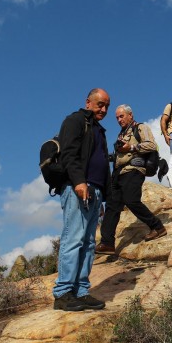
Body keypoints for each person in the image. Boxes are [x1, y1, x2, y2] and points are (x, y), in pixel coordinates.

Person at [51, 88, 111, 312]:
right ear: (88, 102)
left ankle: (81, 291)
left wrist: (105, 196)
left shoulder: (99, 130)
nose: (103, 109)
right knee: (73, 239)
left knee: (88, 243)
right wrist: (78, 181)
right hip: (78, 187)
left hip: (95, 191)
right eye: (100, 104)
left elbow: (103, 164)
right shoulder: (75, 121)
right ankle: (63, 293)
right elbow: (68, 154)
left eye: (106, 106)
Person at [96, 105, 167, 255]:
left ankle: (158, 227)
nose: (119, 120)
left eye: (121, 116)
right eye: (117, 118)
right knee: (112, 206)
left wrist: (132, 147)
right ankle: (107, 243)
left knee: (131, 200)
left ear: (130, 115)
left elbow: (152, 145)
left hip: (134, 170)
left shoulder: (140, 127)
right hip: (118, 173)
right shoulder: (122, 134)